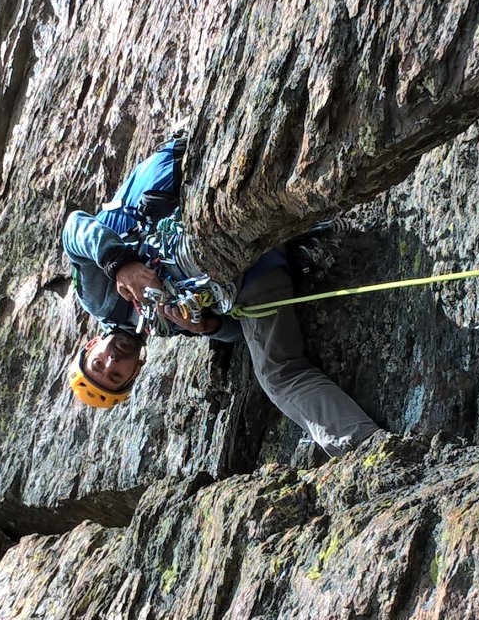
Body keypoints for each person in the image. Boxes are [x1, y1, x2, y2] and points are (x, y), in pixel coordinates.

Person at [62, 137, 379, 454]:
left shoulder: (99, 298)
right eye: (115, 374)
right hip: (252, 269)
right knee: (278, 374)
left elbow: (75, 228)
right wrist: (206, 327)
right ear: (133, 373)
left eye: (98, 362)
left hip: (193, 203)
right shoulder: (161, 325)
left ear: (92, 345)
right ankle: (362, 445)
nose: (112, 361)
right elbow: (237, 331)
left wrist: (120, 264)